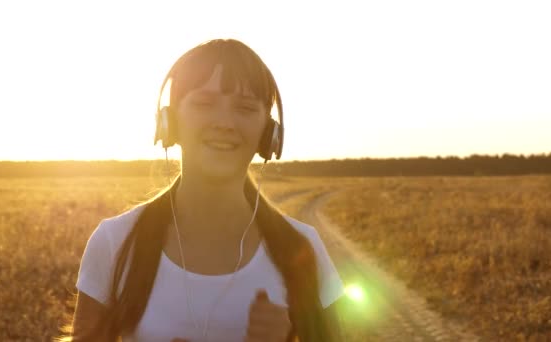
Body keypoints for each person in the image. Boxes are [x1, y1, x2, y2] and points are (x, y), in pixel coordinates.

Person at [65, 38, 345, 342]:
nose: (224, 122)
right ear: (169, 122)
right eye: (204, 104)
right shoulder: (115, 242)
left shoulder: (302, 247)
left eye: (246, 107)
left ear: (269, 134)